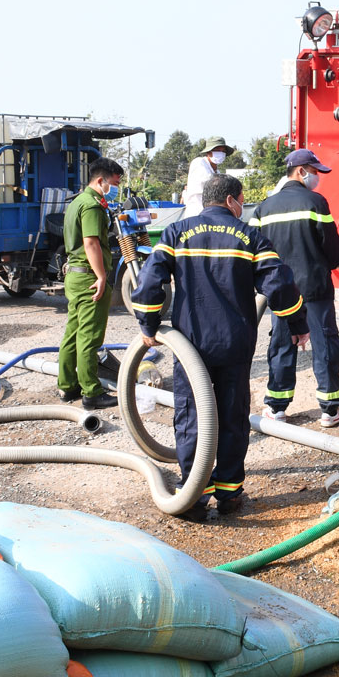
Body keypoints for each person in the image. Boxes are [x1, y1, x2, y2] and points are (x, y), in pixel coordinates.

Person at [132, 173, 308, 522]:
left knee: (191, 417)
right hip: (234, 343)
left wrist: (148, 325)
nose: (242, 207)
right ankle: (229, 495)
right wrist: (298, 326)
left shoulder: (176, 233)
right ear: (231, 201)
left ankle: (195, 496)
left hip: (190, 345)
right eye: (241, 200)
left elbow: (151, 280)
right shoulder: (250, 236)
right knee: (231, 416)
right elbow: (279, 284)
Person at [249, 149, 339, 427]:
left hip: (280, 291)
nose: (317, 177)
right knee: (325, 343)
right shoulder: (316, 202)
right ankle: (330, 409)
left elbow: (254, 250)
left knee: (282, 344)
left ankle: (276, 407)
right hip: (315, 287)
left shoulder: (263, 208)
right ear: (301, 171)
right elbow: (332, 250)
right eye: (315, 171)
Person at [57, 157, 125, 411]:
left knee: (73, 333)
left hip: (74, 275)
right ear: (100, 180)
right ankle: (91, 392)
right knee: (90, 337)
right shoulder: (93, 205)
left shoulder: (76, 202)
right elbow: (91, 243)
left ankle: (67, 385)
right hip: (88, 276)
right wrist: (101, 276)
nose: (116, 188)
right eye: (114, 183)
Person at [180, 137, 233, 214]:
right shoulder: (199, 162)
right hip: (197, 211)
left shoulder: (217, 172)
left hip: (210, 213)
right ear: (208, 152)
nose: (220, 153)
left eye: (223, 151)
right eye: (217, 150)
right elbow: (210, 182)